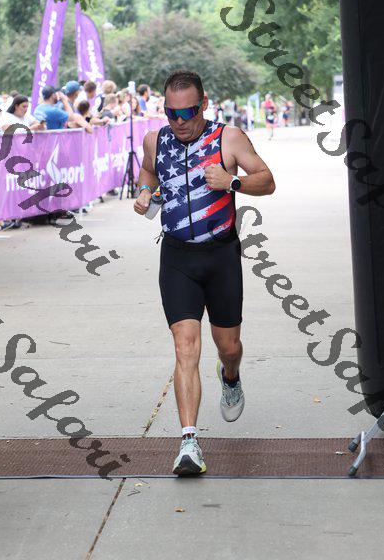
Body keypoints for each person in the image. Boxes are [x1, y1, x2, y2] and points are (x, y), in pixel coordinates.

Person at [134, 69, 275, 476]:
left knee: (228, 346)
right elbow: (149, 172)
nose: (179, 121)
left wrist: (232, 183)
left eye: (188, 112)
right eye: (171, 113)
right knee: (185, 347)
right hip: (177, 257)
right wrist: (144, 192)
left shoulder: (227, 138)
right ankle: (189, 442)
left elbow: (267, 181)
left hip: (221, 256)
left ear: (204, 105)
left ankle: (230, 376)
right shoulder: (154, 140)